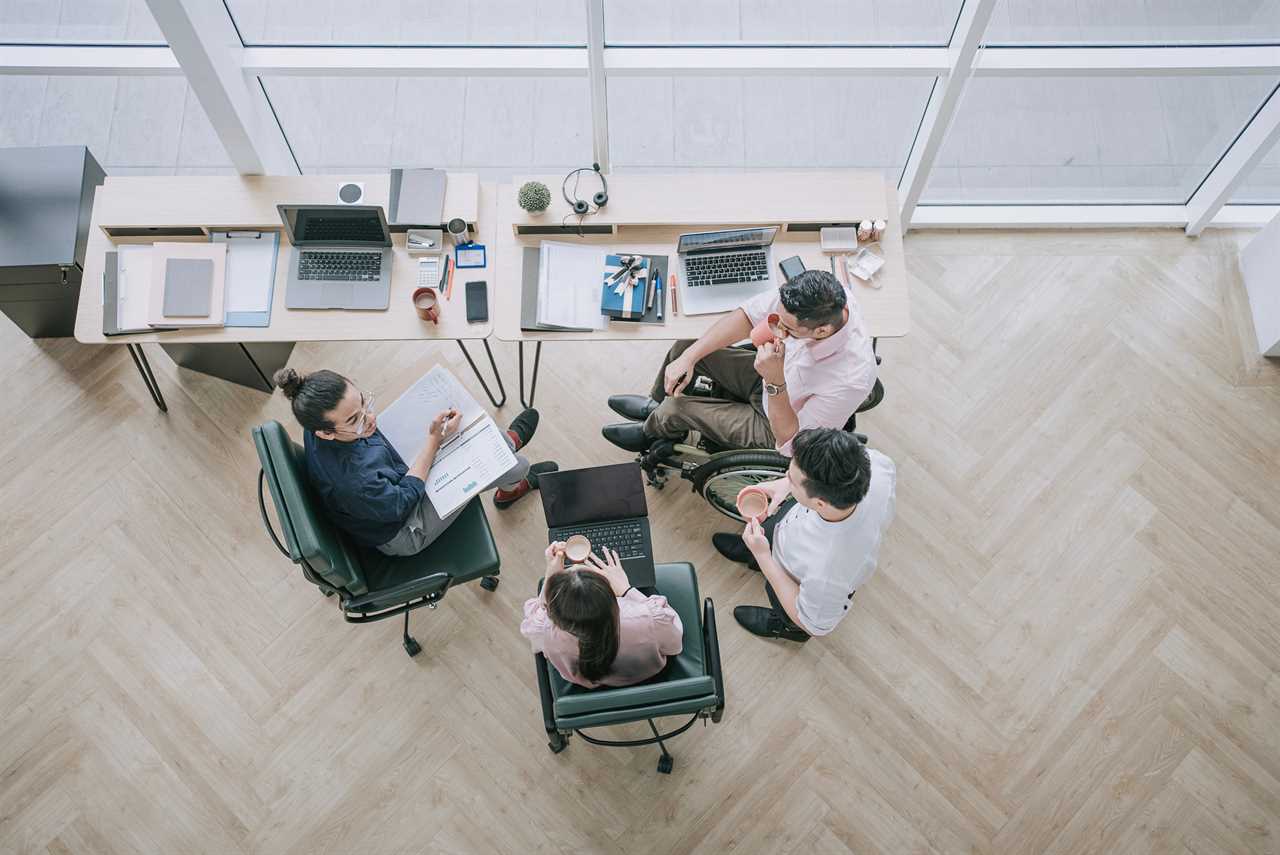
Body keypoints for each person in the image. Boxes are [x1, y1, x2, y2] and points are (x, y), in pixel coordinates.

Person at [274, 367, 558, 557]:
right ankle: (510, 484)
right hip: (404, 526)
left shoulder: (317, 421)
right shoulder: (353, 483)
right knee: (515, 465)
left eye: (363, 404)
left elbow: (373, 441)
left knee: (475, 439)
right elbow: (403, 499)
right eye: (355, 419)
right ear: (324, 433)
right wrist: (434, 440)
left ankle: (503, 447)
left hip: (387, 476)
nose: (370, 419)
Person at [602, 269, 876, 456]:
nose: (776, 328)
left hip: (776, 422)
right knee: (685, 347)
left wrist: (775, 381)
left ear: (822, 331)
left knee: (677, 408)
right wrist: (689, 358)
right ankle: (655, 406)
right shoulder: (822, 297)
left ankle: (653, 432)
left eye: (787, 329)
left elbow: (791, 442)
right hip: (773, 375)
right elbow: (747, 316)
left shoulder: (851, 379)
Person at [714, 428, 895, 642]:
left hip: (795, 578)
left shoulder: (828, 571)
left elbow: (813, 624)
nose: (785, 479)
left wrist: (764, 558)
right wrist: (785, 485)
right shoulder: (877, 466)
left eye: (790, 478)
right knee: (771, 531)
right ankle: (753, 552)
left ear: (820, 502)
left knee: (784, 604)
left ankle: (785, 627)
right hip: (790, 527)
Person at [521, 543, 683, 688]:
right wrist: (627, 590)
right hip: (650, 675)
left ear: (555, 613)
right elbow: (675, 645)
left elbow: (534, 629)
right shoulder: (649, 619)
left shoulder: (544, 629)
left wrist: (551, 577)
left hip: (591, 685)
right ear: (613, 597)